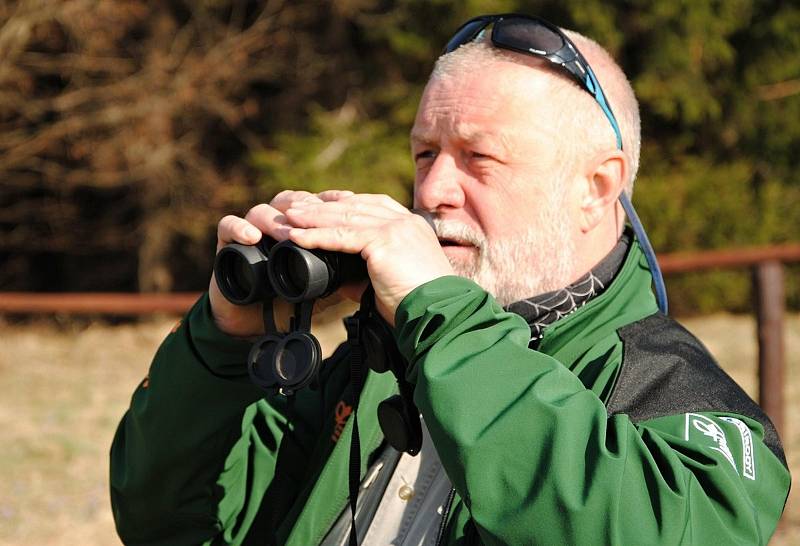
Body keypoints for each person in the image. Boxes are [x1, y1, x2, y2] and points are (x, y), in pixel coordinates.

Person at [110, 14, 790, 545]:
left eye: (478, 157)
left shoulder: (683, 405)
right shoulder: (373, 364)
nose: (433, 190)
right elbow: (167, 523)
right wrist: (221, 342)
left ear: (597, 185)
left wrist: (442, 317)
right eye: (425, 152)